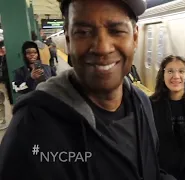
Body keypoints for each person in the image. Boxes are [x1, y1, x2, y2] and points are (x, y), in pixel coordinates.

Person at [0, 0, 175, 180]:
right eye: (83, 32)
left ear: (135, 38)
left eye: (116, 31)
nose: (102, 48)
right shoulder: (31, 128)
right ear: (68, 40)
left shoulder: (141, 102)